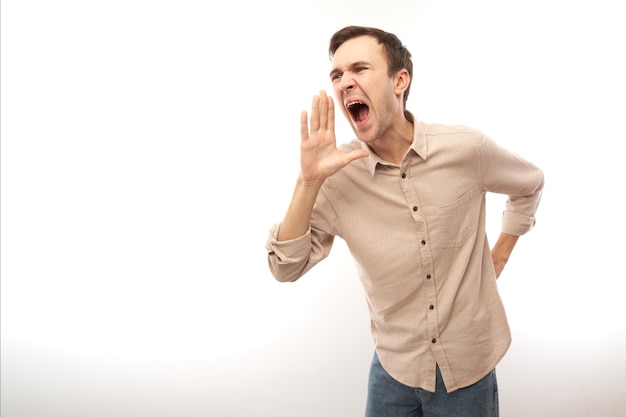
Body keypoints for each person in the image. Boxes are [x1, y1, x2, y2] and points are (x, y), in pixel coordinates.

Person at [265, 25, 544, 417]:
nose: (345, 83)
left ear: (400, 80)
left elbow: (530, 183)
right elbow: (284, 267)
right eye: (337, 75)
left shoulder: (466, 149)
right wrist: (308, 180)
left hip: (467, 368)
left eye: (360, 69)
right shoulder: (336, 177)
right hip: (392, 371)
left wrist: (501, 251)